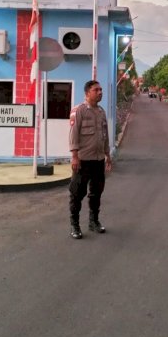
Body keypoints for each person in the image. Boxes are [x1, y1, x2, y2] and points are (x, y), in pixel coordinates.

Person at [68, 80, 112, 239]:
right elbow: (73, 134)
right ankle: (75, 225)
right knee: (77, 193)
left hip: (98, 160)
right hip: (83, 161)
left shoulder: (101, 112)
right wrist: (74, 157)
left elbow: (105, 135)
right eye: (96, 90)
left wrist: (107, 155)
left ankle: (94, 222)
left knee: (96, 193)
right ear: (87, 93)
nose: (100, 92)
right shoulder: (78, 110)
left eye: (101, 90)